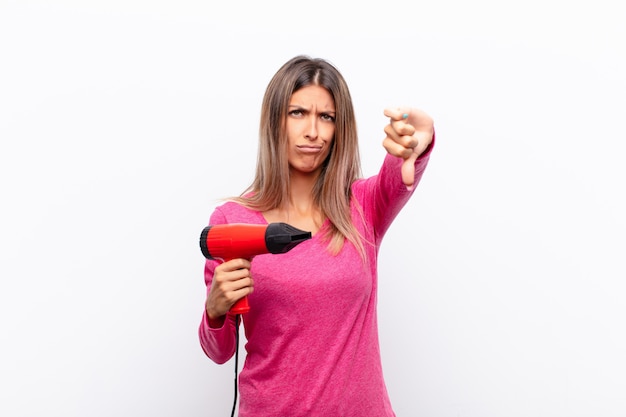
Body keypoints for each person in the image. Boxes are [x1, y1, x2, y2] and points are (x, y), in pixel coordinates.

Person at [199, 55, 435, 417]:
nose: (314, 132)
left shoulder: (363, 205)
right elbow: (220, 352)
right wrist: (215, 311)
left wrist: (419, 142)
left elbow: (401, 172)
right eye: (298, 113)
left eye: (326, 117)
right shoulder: (232, 220)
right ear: (274, 120)